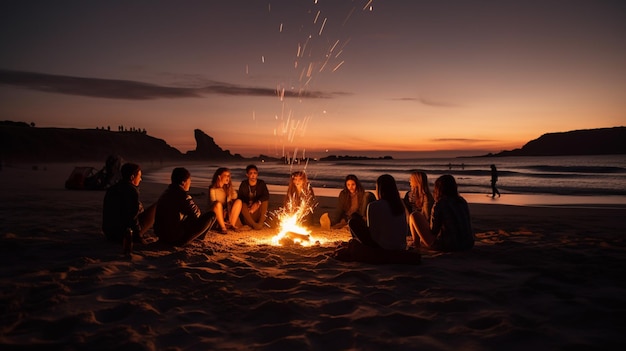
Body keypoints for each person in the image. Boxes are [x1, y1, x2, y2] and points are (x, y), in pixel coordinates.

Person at [409, 174, 474, 252]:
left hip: (448, 246)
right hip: (468, 244)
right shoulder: (462, 201)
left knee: (414, 215)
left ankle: (416, 243)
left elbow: (434, 231)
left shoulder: (439, 203)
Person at [153, 167, 216, 246]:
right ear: (183, 182)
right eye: (189, 180)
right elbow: (196, 214)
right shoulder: (182, 196)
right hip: (175, 238)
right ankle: (199, 237)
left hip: (162, 236)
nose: (190, 183)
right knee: (211, 215)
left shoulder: (166, 193)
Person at [347, 174, 408, 250]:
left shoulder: (374, 205)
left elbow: (373, 234)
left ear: (379, 189)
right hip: (401, 246)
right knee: (356, 216)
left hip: (382, 247)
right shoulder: (399, 204)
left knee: (352, 221)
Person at [102, 162, 156, 245]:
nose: (141, 179)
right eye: (139, 176)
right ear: (132, 177)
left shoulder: (112, 189)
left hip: (109, 233)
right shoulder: (131, 191)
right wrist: (138, 236)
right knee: (156, 207)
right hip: (124, 234)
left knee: (139, 206)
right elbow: (132, 217)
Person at [209, 167, 243, 234]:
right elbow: (212, 204)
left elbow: (235, 196)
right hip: (217, 216)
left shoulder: (228, 188)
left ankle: (231, 224)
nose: (228, 178)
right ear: (219, 177)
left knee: (239, 201)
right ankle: (223, 227)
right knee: (217, 204)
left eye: (229, 176)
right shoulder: (213, 189)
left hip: (228, 215)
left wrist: (230, 188)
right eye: (225, 176)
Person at [237, 164, 270, 230]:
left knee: (264, 201)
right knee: (241, 203)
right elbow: (241, 197)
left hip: (257, 211)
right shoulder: (244, 184)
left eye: (255, 173)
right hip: (248, 213)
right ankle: (254, 225)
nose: (253, 175)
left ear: (257, 174)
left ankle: (260, 223)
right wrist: (250, 206)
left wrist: (257, 203)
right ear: (247, 175)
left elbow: (266, 195)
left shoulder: (261, 183)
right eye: (251, 173)